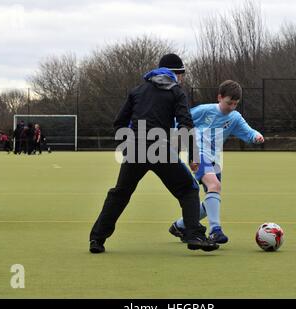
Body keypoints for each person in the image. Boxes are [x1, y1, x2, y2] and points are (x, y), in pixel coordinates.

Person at [88, 53, 219, 254]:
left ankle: (97, 239)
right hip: (160, 149)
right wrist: (193, 155)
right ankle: (194, 235)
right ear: (176, 74)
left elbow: (119, 123)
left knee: (120, 194)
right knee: (188, 189)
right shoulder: (176, 91)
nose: (182, 79)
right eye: (181, 74)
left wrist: (127, 146)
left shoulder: (138, 90)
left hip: (135, 149)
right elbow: (186, 123)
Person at [169, 80, 264, 244]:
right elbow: (181, 122)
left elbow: (248, 132)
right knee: (215, 186)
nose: (232, 107)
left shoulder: (234, 117)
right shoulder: (205, 110)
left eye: (235, 103)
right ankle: (215, 231)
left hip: (215, 159)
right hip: (198, 153)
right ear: (219, 97)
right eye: (229, 102)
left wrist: (256, 136)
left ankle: (180, 225)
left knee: (212, 198)